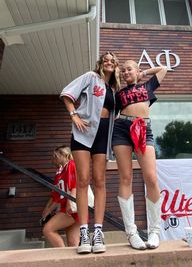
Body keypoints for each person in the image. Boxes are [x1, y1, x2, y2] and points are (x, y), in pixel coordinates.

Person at [60, 52, 120, 254]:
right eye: (106, 59)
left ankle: (98, 232)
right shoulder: (90, 77)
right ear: (100, 63)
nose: (109, 62)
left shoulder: (114, 87)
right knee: (83, 180)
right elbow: (67, 94)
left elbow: (137, 76)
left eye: (113, 60)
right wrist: (73, 115)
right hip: (83, 133)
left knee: (100, 180)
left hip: (104, 134)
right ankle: (84, 232)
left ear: (116, 65)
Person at [112, 60, 167, 250]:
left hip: (144, 128)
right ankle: (132, 233)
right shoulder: (118, 92)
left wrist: (143, 73)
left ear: (136, 71)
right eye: (123, 70)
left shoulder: (148, 85)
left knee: (151, 178)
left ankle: (154, 231)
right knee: (126, 177)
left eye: (129, 69)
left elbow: (163, 69)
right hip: (122, 130)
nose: (125, 72)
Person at [41, 145, 80, 247]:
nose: (54, 159)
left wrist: (69, 203)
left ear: (63, 154)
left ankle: (62, 256)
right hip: (71, 207)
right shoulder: (62, 171)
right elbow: (57, 196)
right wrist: (48, 210)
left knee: (48, 230)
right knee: (73, 243)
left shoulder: (71, 164)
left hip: (71, 207)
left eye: (56, 156)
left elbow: (75, 185)